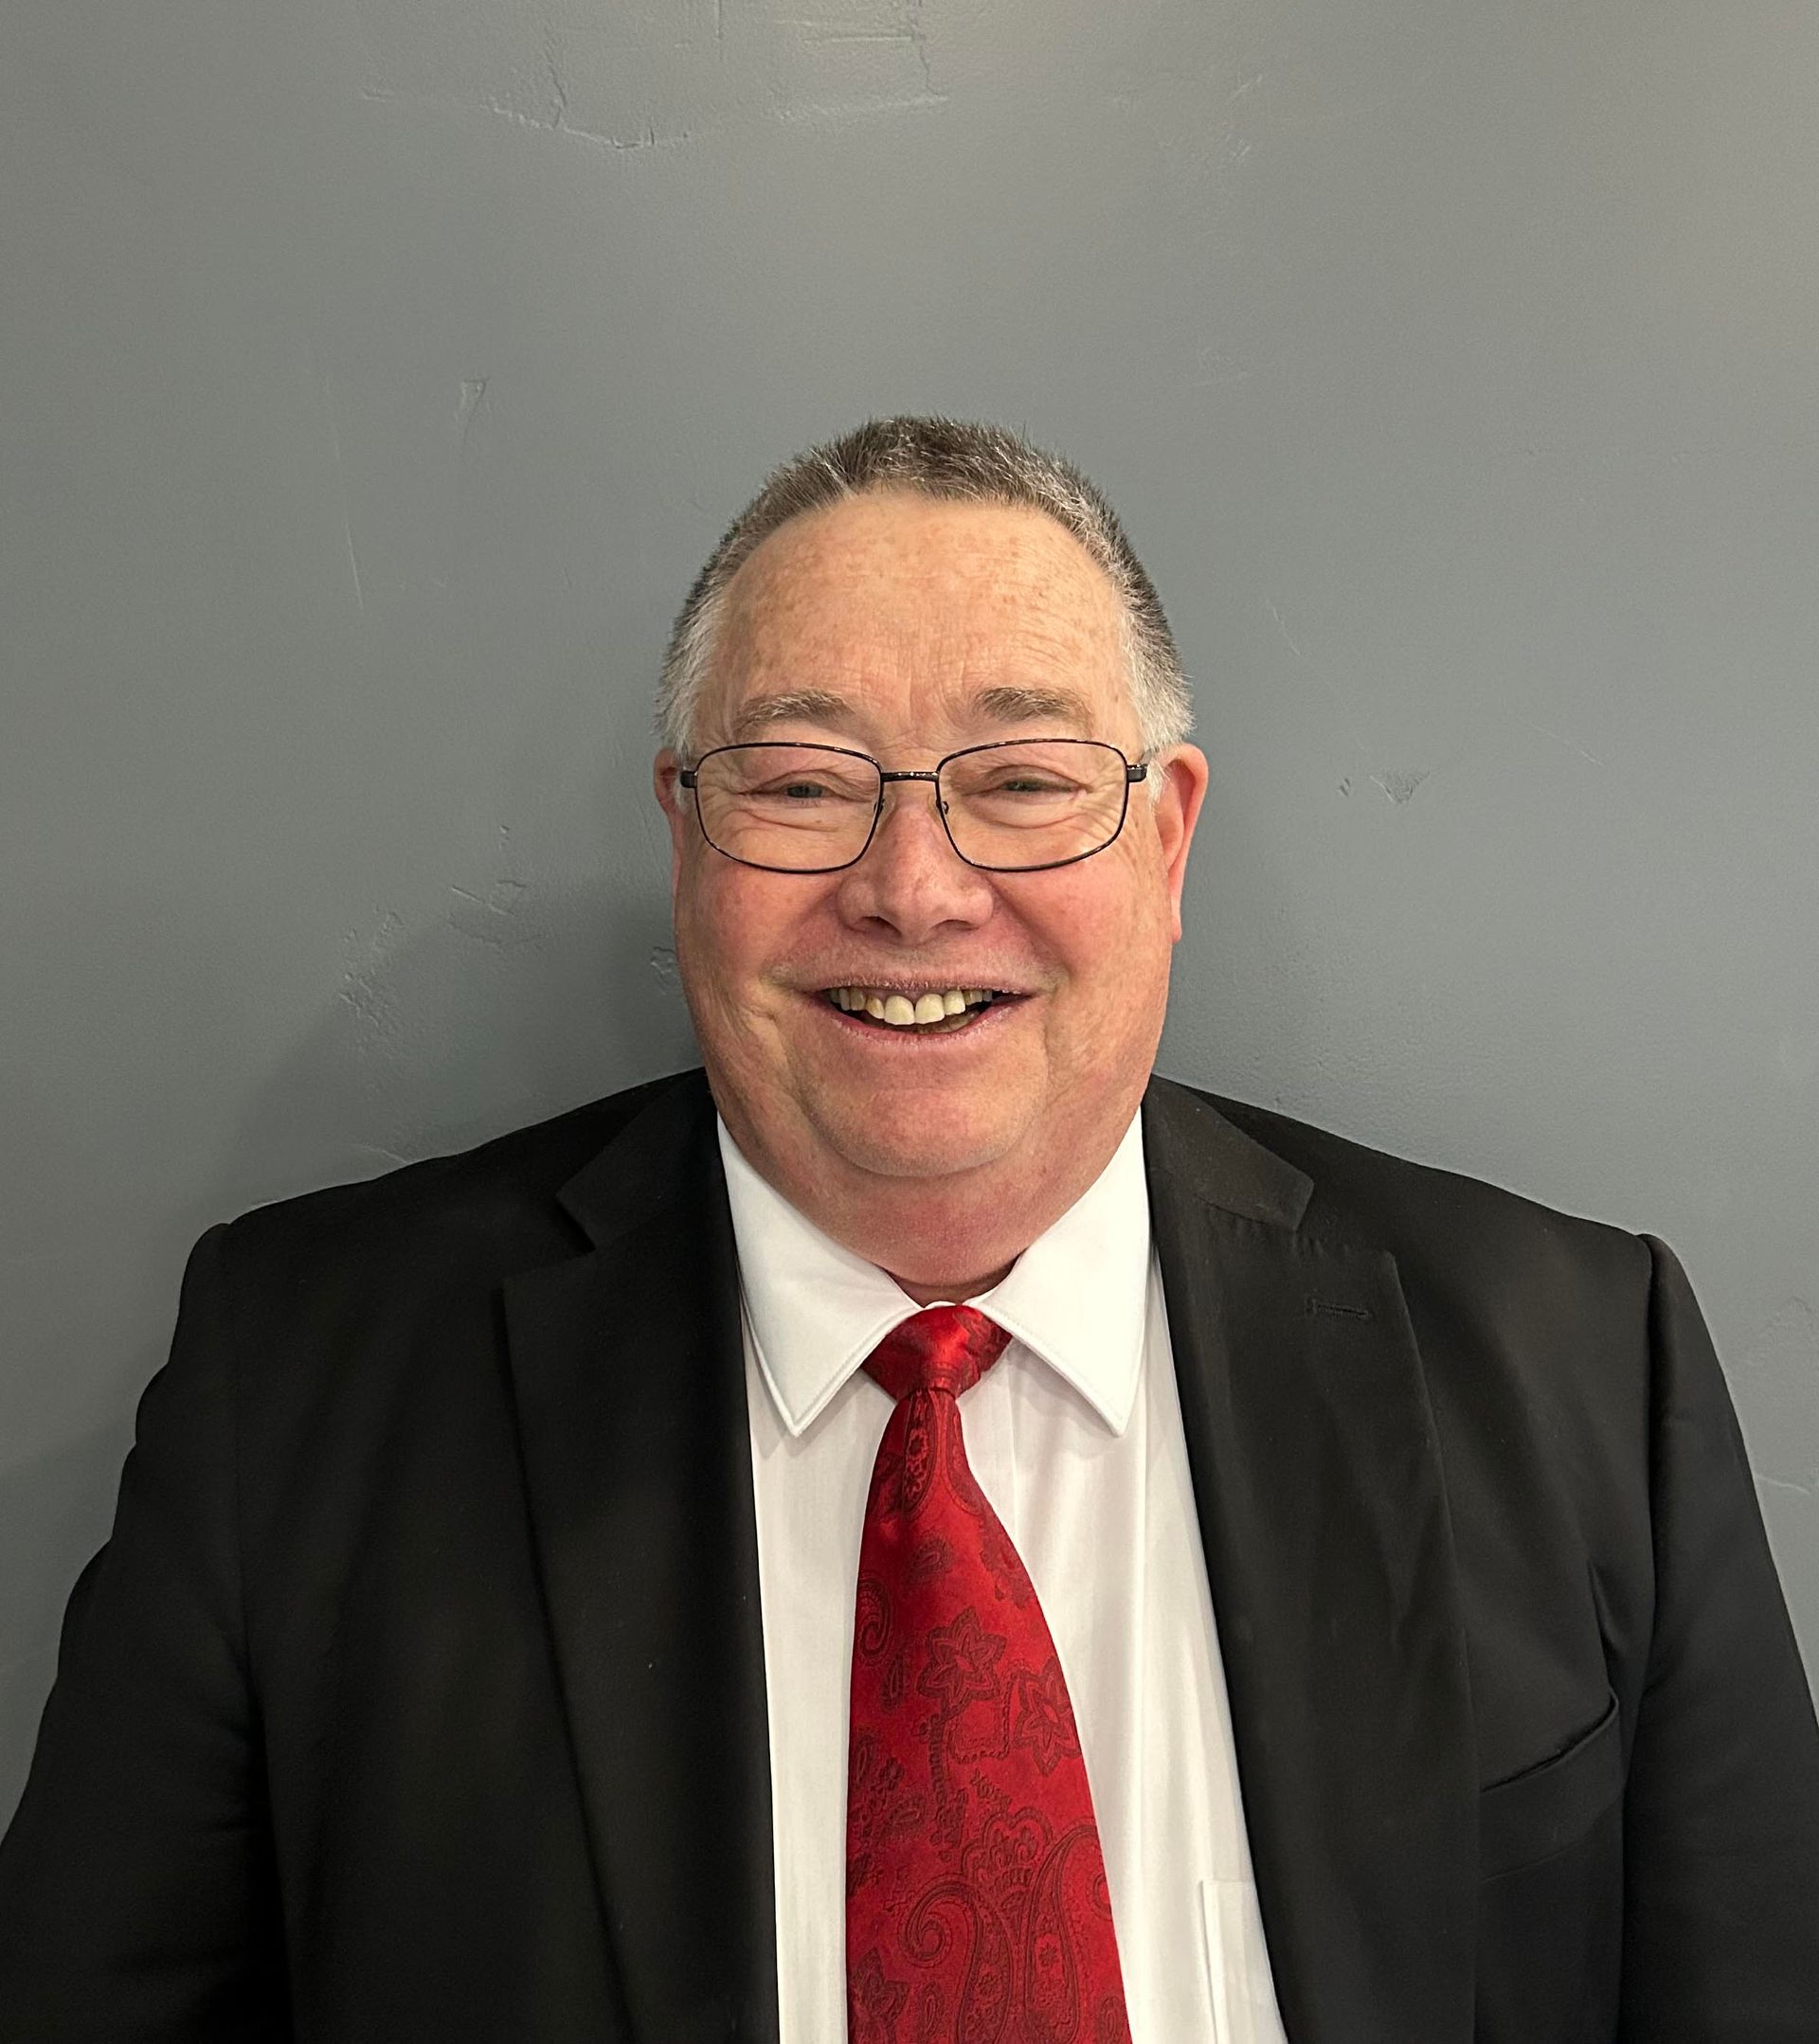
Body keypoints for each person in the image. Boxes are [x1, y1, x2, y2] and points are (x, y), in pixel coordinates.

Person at [2, 417, 1815, 2043]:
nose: (914, 887)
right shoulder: (304, 1385)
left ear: (1166, 846)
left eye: (1023, 782)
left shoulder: (1581, 1361)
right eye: (801, 783)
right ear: (686, 840)